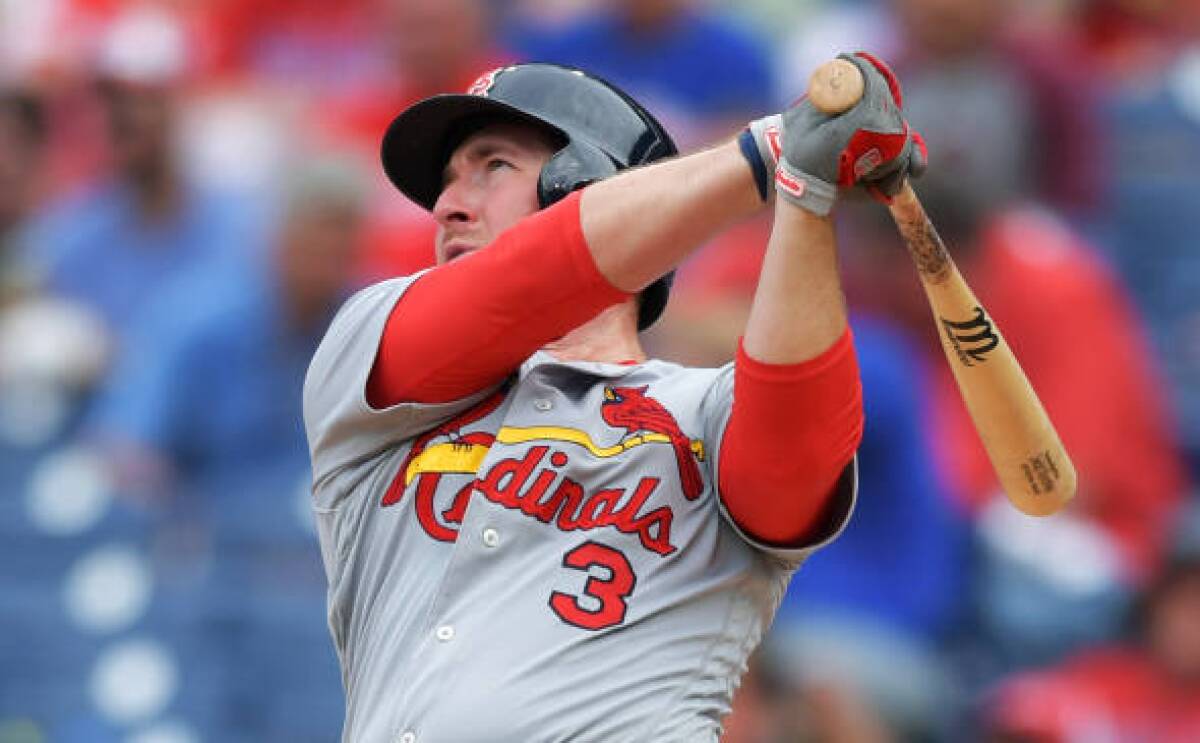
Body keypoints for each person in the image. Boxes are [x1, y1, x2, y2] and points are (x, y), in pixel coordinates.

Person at [303, 57, 924, 741]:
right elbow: (528, 279)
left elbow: (796, 448)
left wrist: (806, 192)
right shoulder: (367, 365)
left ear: (583, 186)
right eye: (448, 181)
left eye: (493, 166)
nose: (447, 204)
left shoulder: (703, 411)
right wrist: (770, 150)